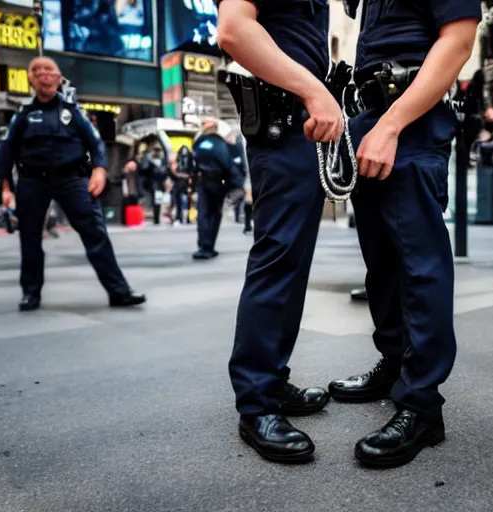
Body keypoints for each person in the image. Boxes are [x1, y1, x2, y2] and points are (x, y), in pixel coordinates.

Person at [328, 1, 481, 468]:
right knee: (383, 263)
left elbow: (457, 41)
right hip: (370, 120)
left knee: (420, 266)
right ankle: (394, 365)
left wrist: (392, 124)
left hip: (408, 123)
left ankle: (421, 404)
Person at [216, 0, 344, 463]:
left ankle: (269, 378)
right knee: (277, 259)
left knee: (290, 263)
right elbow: (232, 30)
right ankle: (256, 404)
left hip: (301, 125)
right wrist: (316, 91)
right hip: (285, 119)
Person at [0, 57, 146, 312]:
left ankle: (119, 291)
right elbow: (7, 150)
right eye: (37, 71)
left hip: (71, 180)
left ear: (58, 78)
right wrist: (5, 187)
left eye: (49, 71)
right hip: (32, 182)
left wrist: (99, 170)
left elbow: (96, 143)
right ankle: (30, 293)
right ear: (31, 80)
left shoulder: (73, 112)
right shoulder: (22, 115)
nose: (43, 75)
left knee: (95, 234)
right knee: (30, 239)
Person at [191, 120, 239, 260]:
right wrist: (235, 183)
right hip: (219, 182)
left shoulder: (200, 143)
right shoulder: (220, 144)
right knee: (214, 214)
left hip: (204, 181)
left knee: (204, 214)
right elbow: (227, 163)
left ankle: (204, 246)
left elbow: (193, 161)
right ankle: (209, 246)